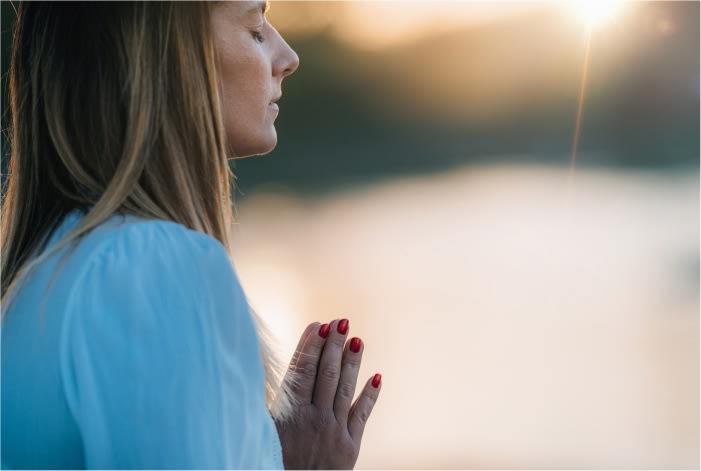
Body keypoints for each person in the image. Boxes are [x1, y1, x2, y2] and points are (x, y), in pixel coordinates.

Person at [0, 1, 382, 469]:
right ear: (171, 56)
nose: (287, 57)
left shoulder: (40, 280)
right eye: (256, 27)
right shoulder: (154, 269)